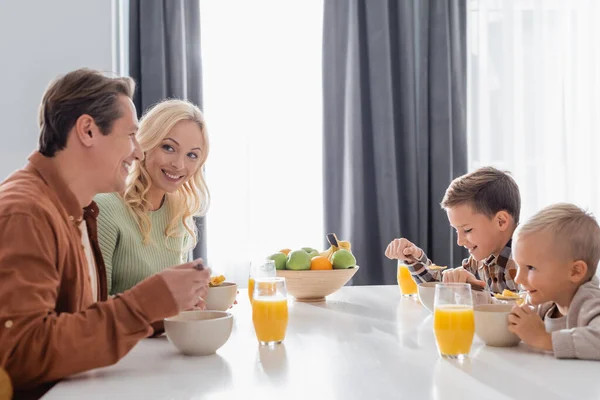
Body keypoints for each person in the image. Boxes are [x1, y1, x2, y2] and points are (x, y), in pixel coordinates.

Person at [0, 68, 210, 397]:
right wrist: (145, 304)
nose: (138, 152)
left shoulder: (73, 210)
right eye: (130, 135)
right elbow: (21, 352)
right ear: (87, 131)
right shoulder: (26, 212)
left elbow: (80, 320)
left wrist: (161, 310)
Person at [95, 99, 210, 295]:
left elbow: (175, 300)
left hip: (171, 327)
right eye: (168, 147)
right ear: (145, 145)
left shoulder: (178, 214)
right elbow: (94, 308)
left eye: (192, 155)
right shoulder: (105, 209)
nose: (179, 165)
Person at [385, 166, 520, 294]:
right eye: (457, 231)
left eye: (467, 230)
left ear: (501, 221)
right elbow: (438, 286)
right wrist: (413, 257)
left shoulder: (526, 262)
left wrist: (479, 293)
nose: (459, 242)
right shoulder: (480, 261)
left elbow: (529, 310)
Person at [508, 203, 600, 359]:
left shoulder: (591, 303)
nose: (518, 278)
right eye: (518, 266)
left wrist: (543, 339)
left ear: (575, 271)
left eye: (530, 267)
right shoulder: (547, 303)